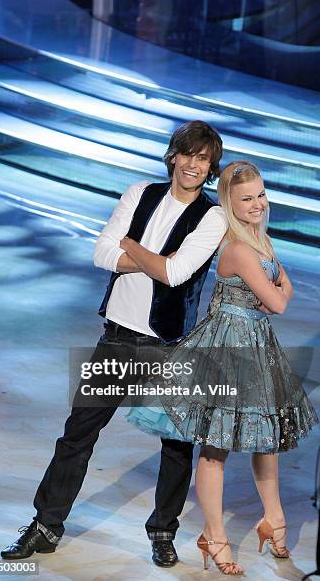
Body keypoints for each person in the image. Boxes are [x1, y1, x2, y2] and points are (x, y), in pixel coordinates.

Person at [0, 120, 228, 567]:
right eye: (187, 155)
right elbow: (101, 253)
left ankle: (163, 531)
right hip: (117, 338)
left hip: (169, 344)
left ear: (211, 167)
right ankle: (45, 525)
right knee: (77, 435)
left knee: (176, 445)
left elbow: (175, 274)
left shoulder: (214, 215)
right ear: (173, 156)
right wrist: (152, 259)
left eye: (203, 159)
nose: (193, 165)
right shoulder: (139, 193)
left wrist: (134, 249)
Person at [127, 161, 319, 575]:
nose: (257, 204)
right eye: (246, 199)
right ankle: (214, 536)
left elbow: (285, 291)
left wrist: (273, 294)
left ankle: (276, 521)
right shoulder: (238, 248)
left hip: (256, 347)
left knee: (265, 440)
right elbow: (281, 301)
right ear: (230, 205)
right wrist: (272, 295)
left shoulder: (261, 241)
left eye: (260, 195)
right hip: (226, 351)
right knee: (216, 447)